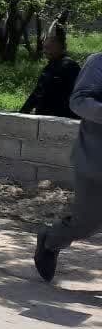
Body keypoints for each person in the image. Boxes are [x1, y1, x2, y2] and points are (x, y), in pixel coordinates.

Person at [35, 52, 102, 282]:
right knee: (87, 223)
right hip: (95, 159)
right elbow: (79, 100)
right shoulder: (99, 62)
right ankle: (50, 239)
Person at [21, 29, 80, 119]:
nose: (44, 51)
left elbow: (77, 93)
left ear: (59, 48)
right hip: (44, 116)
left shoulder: (70, 66)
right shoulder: (50, 66)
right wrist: (23, 112)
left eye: (48, 48)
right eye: (44, 47)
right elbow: (38, 91)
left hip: (62, 117)